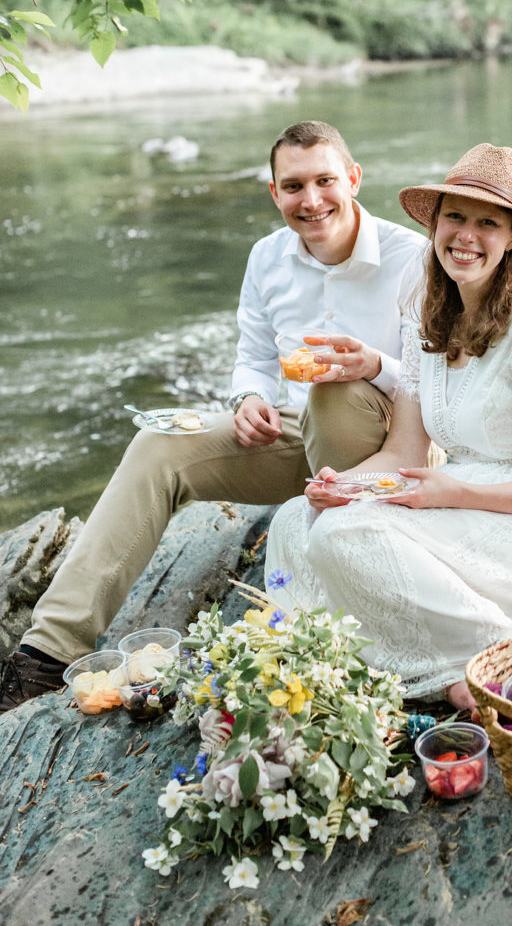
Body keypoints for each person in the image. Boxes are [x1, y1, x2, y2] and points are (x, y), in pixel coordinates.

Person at [0, 120, 426, 714]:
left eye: (326, 181)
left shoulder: (414, 259)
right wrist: (247, 400)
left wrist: (373, 364)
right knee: (158, 444)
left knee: (332, 393)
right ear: (274, 193)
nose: (312, 201)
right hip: (295, 436)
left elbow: (444, 386)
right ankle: (45, 655)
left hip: (383, 444)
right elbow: (253, 359)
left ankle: (333, 555)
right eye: (294, 186)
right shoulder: (266, 257)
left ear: (353, 179)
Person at [264, 143, 512, 713]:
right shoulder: (427, 307)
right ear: (435, 222)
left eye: (487, 223)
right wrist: (341, 483)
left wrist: (453, 491)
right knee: (296, 520)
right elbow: (404, 448)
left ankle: (492, 657)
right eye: (455, 216)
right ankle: (327, 667)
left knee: (341, 537)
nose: (465, 236)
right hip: (461, 494)